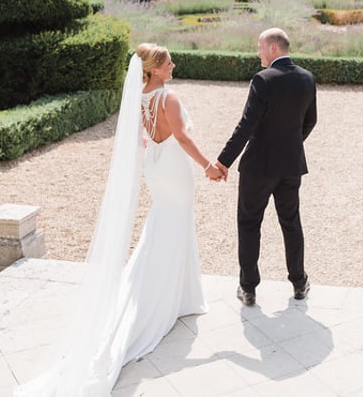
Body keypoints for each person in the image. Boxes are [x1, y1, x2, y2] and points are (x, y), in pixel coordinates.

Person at [14, 44, 222, 396]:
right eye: (168, 62)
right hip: (174, 169)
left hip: (155, 167)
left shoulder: (140, 97)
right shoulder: (168, 97)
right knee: (175, 225)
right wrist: (208, 166)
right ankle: (169, 296)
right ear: (155, 68)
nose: (173, 65)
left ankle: (179, 294)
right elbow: (182, 137)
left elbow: (144, 137)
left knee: (165, 225)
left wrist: (158, 143)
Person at [215, 28, 317, 306]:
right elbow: (310, 121)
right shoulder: (307, 78)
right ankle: (299, 282)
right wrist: (291, 145)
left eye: (260, 46)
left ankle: (248, 288)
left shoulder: (263, 79)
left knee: (249, 224)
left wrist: (223, 161)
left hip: (258, 166)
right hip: (291, 165)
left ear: (273, 48)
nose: (257, 51)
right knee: (291, 222)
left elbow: (246, 125)